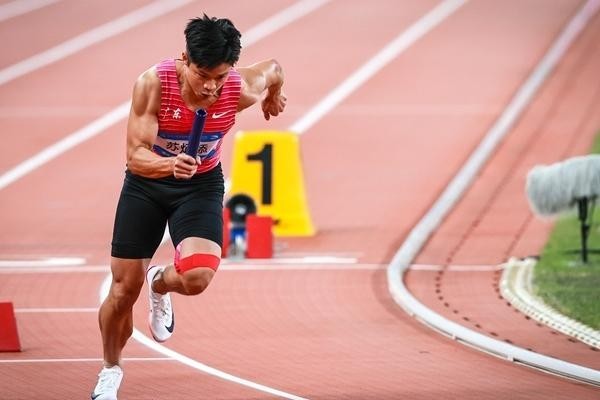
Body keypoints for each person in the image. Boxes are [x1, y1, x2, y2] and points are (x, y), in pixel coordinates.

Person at [91, 14, 286, 400]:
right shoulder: (154, 84)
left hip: (200, 185)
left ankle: (160, 282)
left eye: (220, 76)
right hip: (147, 185)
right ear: (185, 59)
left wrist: (273, 95)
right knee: (122, 292)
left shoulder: (239, 87)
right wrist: (169, 165)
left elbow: (274, 69)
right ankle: (110, 369)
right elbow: (135, 156)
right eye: (202, 75)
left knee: (197, 278)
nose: (211, 86)